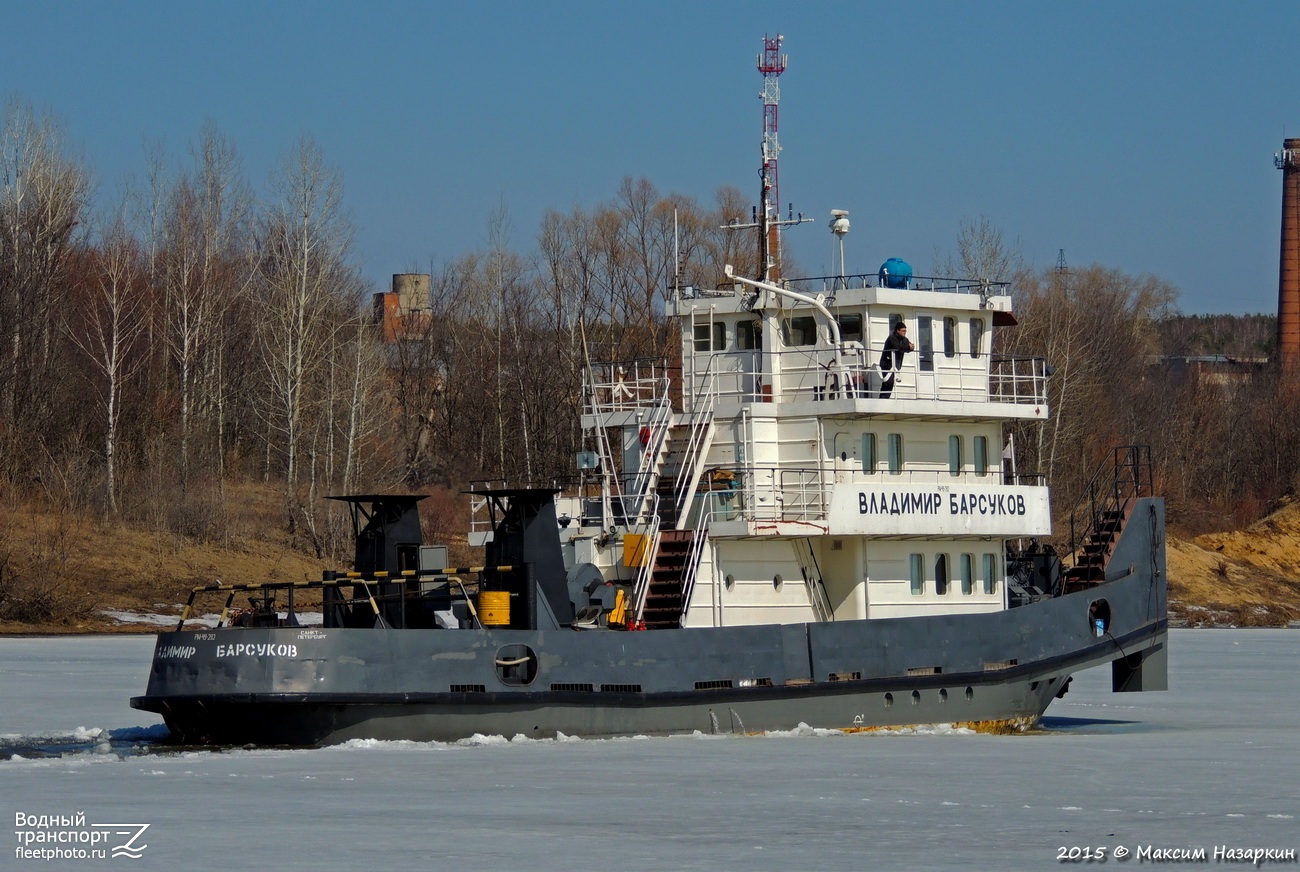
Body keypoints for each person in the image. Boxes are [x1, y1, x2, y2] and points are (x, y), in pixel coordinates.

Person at [878, 321, 914, 398]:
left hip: (894, 365)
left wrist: (910, 347)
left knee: (890, 383)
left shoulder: (904, 339)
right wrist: (908, 347)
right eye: (903, 331)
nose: (905, 333)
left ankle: (884, 399)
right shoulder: (891, 337)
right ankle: (883, 399)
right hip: (886, 364)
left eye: (905, 331)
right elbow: (897, 347)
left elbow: (910, 346)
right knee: (888, 382)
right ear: (898, 330)